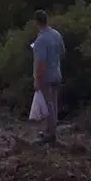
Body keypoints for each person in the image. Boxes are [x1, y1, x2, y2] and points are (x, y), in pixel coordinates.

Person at [31, 9, 65, 143]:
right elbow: (63, 51)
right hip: (57, 72)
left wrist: (37, 80)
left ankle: (50, 134)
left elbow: (41, 62)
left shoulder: (40, 40)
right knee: (54, 103)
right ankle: (51, 129)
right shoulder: (56, 34)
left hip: (46, 76)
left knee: (48, 104)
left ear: (36, 22)